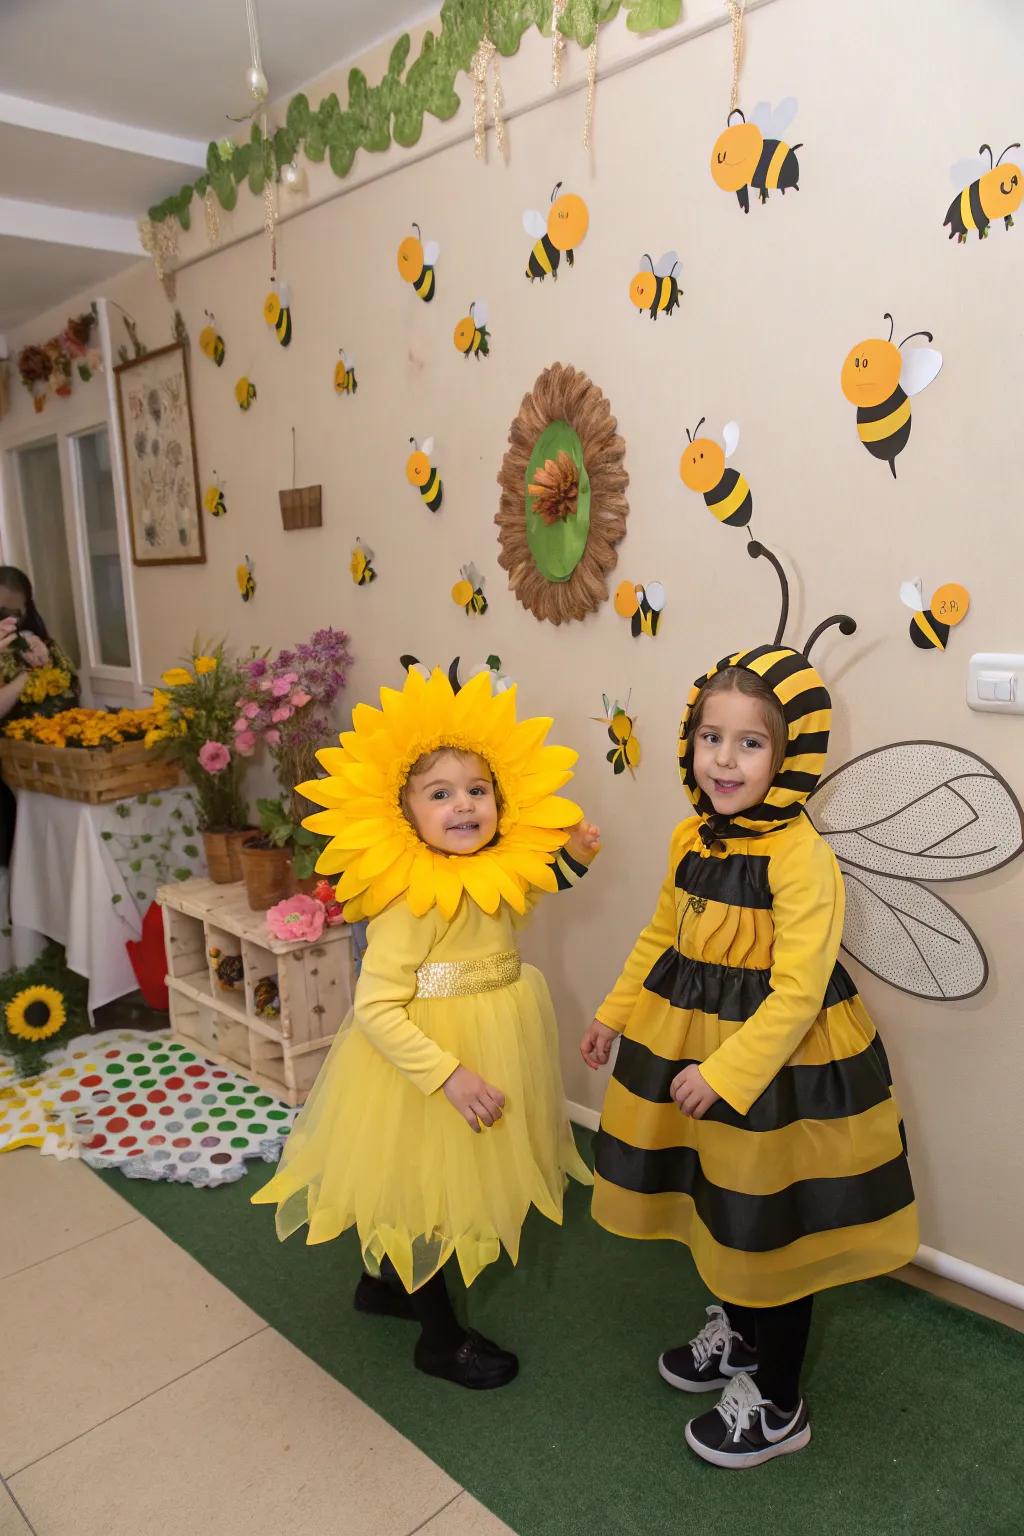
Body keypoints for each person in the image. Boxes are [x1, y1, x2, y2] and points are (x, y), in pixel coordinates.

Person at [581, 639, 917, 1468]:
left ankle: (778, 1405)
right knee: (717, 1205)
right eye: (710, 737)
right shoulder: (689, 839)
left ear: (790, 754)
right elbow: (664, 933)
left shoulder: (802, 858)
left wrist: (727, 1073)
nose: (724, 760)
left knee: (770, 1230)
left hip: (777, 1072)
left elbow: (799, 991)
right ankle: (735, 1334)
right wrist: (616, 1013)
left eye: (751, 742)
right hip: (686, 1048)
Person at [253, 665, 600, 1390]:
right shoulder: (409, 902)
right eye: (439, 794)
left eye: (478, 791)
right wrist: (449, 1074)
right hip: (433, 1059)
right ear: (403, 813)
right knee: (433, 1194)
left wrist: (570, 861)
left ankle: (383, 1285)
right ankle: (438, 1339)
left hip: (498, 1029)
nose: (464, 806)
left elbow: (520, 900)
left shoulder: (491, 868)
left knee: (437, 1183)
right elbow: (376, 1008)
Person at [0, 566, 59, 865]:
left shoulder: (35, 642)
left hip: (42, 760)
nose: (8, 620)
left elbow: (68, 694)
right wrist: (24, 679)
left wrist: (45, 663)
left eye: (15, 611)